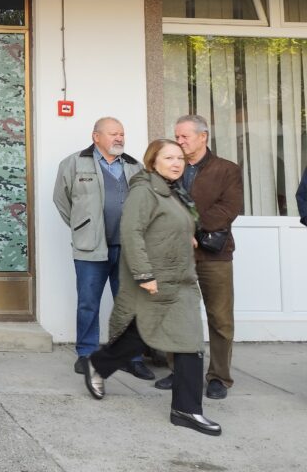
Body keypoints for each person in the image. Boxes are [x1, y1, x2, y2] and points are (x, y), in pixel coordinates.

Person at [83, 139, 221, 437]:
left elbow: (172, 225)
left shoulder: (175, 193)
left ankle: (186, 409)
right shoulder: (144, 191)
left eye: (180, 158)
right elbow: (131, 232)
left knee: (189, 341)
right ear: (153, 162)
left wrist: (188, 235)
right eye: (168, 158)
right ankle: (100, 364)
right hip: (155, 278)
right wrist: (144, 274)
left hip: (180, 279)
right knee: (142, 334)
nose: (176, 163)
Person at [53, 118, 153, 380]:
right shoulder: (74, 163)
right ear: (96, 136)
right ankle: (86, 354)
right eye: (113, 134)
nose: (119, 138)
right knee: (88, 303)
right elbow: (61, 200)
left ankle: (131, 357)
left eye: (122, 133)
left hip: (128, 248)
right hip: (90, 247)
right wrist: (82, 225)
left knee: (129, 304)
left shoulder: (134, 166)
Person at [155, 115, 243, 399]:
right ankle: (178, 371)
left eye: (184, 136)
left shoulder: (227, 169)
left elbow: (228, 208)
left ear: (203, 136)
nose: (179, 141)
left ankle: (219, 377)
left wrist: (190, 227)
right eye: (177, 136)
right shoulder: (169, 166)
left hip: (214, 256)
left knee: (220, 318)